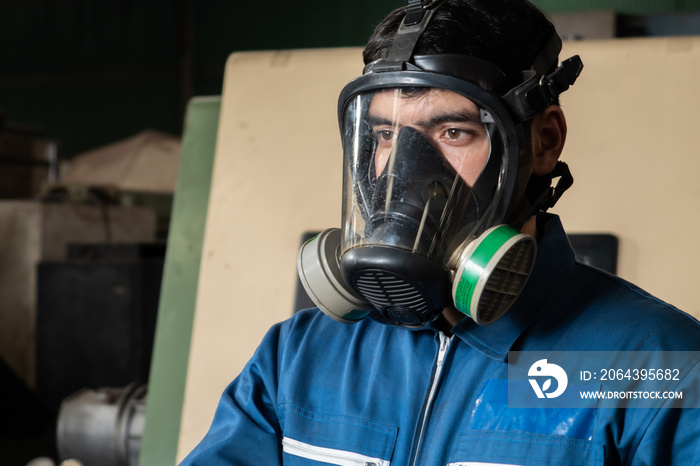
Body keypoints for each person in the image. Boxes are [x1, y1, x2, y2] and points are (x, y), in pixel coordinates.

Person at [180, 0, 700, 464]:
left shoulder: (659, 367)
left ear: (544, 141)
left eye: (453, 131)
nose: (403, 169)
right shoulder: (297, 359)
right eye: (385, 133)